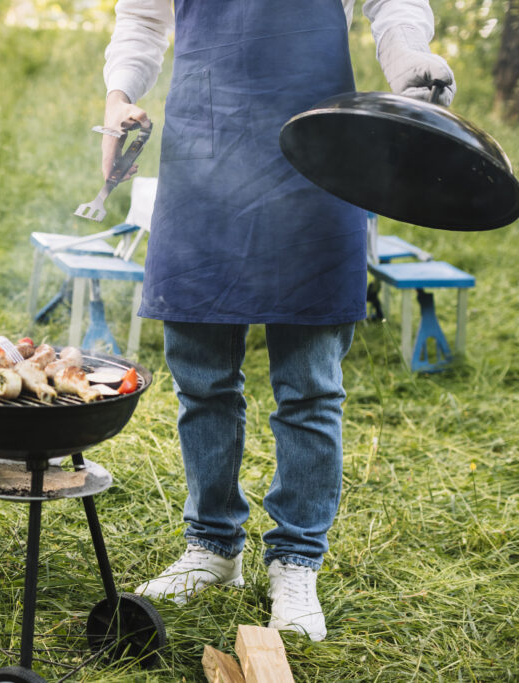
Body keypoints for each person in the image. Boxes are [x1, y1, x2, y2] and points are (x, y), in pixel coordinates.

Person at [100, 0, 455, 641]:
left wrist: (407, 58)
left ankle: (296, 561)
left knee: (310, 386)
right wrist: (118, 97)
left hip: (322, 157)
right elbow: (143, 20)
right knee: (201, 378)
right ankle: (212, 547)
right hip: (204, 150)